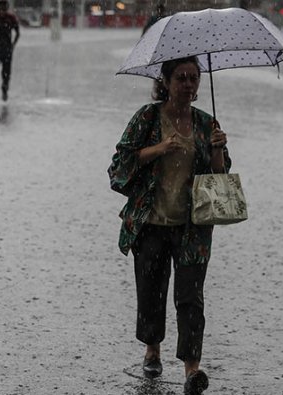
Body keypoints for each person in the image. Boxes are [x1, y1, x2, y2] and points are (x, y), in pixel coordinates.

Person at [107, 56, 230, 395]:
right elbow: (120, 164)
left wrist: (217, 150)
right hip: (151, 223)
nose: (188, 85)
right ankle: (152, 349)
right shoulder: (147, 118)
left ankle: (192, 369)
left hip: (192, 227)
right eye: (181, 78)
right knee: (151, 290)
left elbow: (219, 180)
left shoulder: (207, 124)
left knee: (191, 297)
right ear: (166, 81)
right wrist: (160, 148)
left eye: (193, 78)